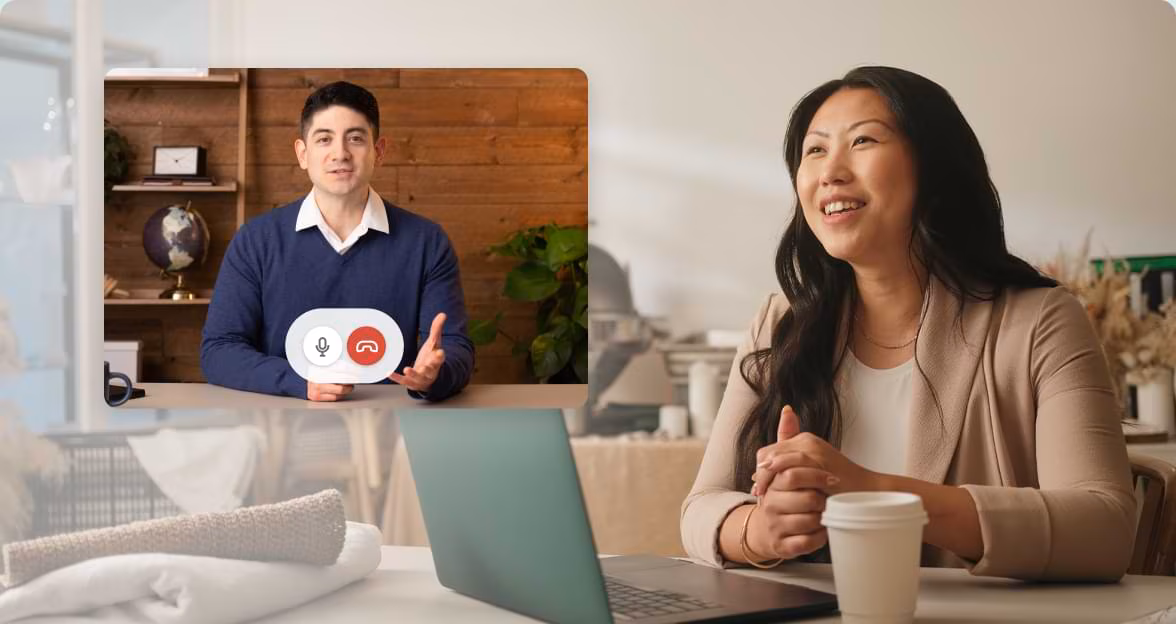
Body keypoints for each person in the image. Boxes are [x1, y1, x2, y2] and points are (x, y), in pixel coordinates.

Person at [680, 66, 1135, 581]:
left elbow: (1105, 529)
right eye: (814, 151)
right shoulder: (780, 324)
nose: (830, 171)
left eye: (863, 141)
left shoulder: (1039, 323)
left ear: (934, 168)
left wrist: (873, 491)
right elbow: (701, 508)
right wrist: (759, 531)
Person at [201, 81, 474, 402]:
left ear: (379, 151)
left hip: (392, 425)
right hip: (281, 420)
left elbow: (454, 347)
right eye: (324, 139)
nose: (340, 154)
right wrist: (298, 382)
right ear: (303, 154)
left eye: (356, 139)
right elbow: (219, 350)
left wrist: (433, 376)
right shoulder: (256, 241)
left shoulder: (426, 242)